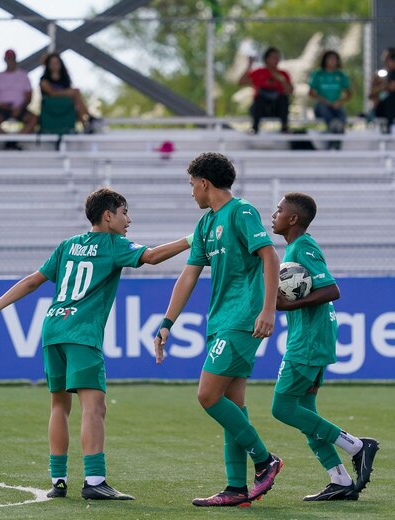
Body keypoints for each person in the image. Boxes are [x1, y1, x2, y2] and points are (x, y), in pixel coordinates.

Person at [0, 187, 191, 501]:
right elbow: (151, 257)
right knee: (94, 407)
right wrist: (192, 239)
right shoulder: (114, 244)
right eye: (124, 212)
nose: (129, 220)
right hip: (82, 334)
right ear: (108, 216)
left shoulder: (68, 245)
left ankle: (58, 481)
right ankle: (95, 481)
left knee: (59, 404)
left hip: (53, 330)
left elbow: (33, 280)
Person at [154, 152, 282, 507]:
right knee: (231, 404)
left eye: (192, 185)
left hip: (242, 319)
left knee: (207, 395)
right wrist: (167, 322)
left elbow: (269, 256)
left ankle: (264, 459)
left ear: (204, 183)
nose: (192, 192)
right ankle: (236, 489)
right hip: (220, 321)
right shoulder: (205, 225)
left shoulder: (241, 212)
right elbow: (189, 275)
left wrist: (267, 309)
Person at [270, 192, 380, 502]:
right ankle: (340, 480)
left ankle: (356, 446)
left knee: (283, 408)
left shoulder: (304, 246)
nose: (273, 214)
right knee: (305, 413)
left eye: (279, 210)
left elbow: (332, 289)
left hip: (309, 340)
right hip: (308, 338)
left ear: (293, 218)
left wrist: (291, 306)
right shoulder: (294, 248)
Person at [39, 53, 97, 134]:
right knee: (76, 93)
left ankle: (86, 123)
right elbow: (52, 93)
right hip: (51, 108)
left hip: (66, 107)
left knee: (75, 97)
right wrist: (70, 92)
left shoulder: (65, 79)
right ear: (48, 65)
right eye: (52, 62)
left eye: (57, 62)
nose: (55, 65)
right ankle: (89, 118)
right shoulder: (44, 80)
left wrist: (71, 92)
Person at [239, 47, 293, 134]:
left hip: (276, 108)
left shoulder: (283, 74)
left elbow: (290, 91)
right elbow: (241, 82)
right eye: (274, 57)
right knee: (259, 98)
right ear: (266, 59)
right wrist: (249, 66)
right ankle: (255, 128)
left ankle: (284, 127)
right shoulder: (259, 73)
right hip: (261, 108)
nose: (277, 60)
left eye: (278, 57)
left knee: (283, 98)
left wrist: (282, 81)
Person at [0, 49, 37, 137]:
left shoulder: (23, 76)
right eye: (8, 58)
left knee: (33, 119)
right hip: (2, 108)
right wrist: (0, 105)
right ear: (5, 59)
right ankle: (6, 139)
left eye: (12, 58)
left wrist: (19, 107)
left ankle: (17, 140)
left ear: (15, 59)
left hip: (20, 108)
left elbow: (29, 97)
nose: (10, 61)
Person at [309, 50, 351, 149]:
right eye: (330, 59)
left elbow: (349, 93)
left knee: (341, 112)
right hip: (322, 105)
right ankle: (334, 129)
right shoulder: (318, 74)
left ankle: (336, 130)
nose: (332, 61)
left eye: (334, 59)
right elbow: (311, 92)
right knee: (323, 108)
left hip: (336, 105)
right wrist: (324, 100)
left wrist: (339, 101)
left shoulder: (341, 75)